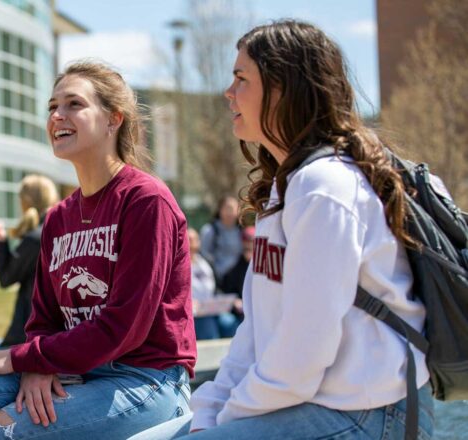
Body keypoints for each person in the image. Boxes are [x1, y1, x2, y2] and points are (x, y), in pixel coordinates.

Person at [0, 61, 196, 440]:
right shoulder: (59, 216)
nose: (57, 116)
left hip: (145, 380)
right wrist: (35, 364)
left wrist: (19, 357)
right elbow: (42, 317)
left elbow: (122, 328)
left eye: (74, 104)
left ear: (113, 119)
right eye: (52, 107)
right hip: (73, 368)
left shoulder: (146, 201)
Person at [180, 20, 433, 439]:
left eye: (241, 79)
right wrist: (207, 413)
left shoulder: (325, 189)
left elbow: (301, 359)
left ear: (282, 89)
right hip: (306, 404)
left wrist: (221, 422)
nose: (228, 93)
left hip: (369, 416)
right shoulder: (286, 190)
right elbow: (255, 337)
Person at [0, 174, 59, 347]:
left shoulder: (36, 237)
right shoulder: (63, 230)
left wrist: (0, 242)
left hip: (30, 336)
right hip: (59, 333)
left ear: (24, 203)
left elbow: (6, 278)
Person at [188, 228, 237, 340]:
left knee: (230, 324)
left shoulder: (206, 261)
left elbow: (217, 287)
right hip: (195, 313)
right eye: (188, 239)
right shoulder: (177, 264)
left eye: (194, 239)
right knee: (209, 330)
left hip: (213, 307)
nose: (191, 243)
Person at [199, 196, 243, 285]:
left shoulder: (241, 231)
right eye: (227, 208)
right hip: (218, 280)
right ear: (220, 210)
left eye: (233, 209)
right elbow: (203, 254)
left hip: (238, 280)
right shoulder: (210, 231)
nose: (230, 212)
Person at [219, 225, 255, 323]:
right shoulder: (235, 267)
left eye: (252, 244)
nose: (249, 246)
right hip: (240, 313)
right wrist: (234, 301)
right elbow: (224, 291)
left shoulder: (264, 266)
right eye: (246, 246)